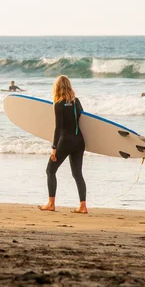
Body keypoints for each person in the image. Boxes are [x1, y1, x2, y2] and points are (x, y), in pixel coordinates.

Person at [39, 75, 87, 214]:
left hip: (65, 141)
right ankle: (83, 206)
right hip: (79, 141)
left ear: (58, 87)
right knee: (77, 173)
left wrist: (54, 148)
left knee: (50, 170)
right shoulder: (76, 101)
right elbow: (84, 119)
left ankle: (51, 204)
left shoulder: (58, 104)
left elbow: (58, 128)